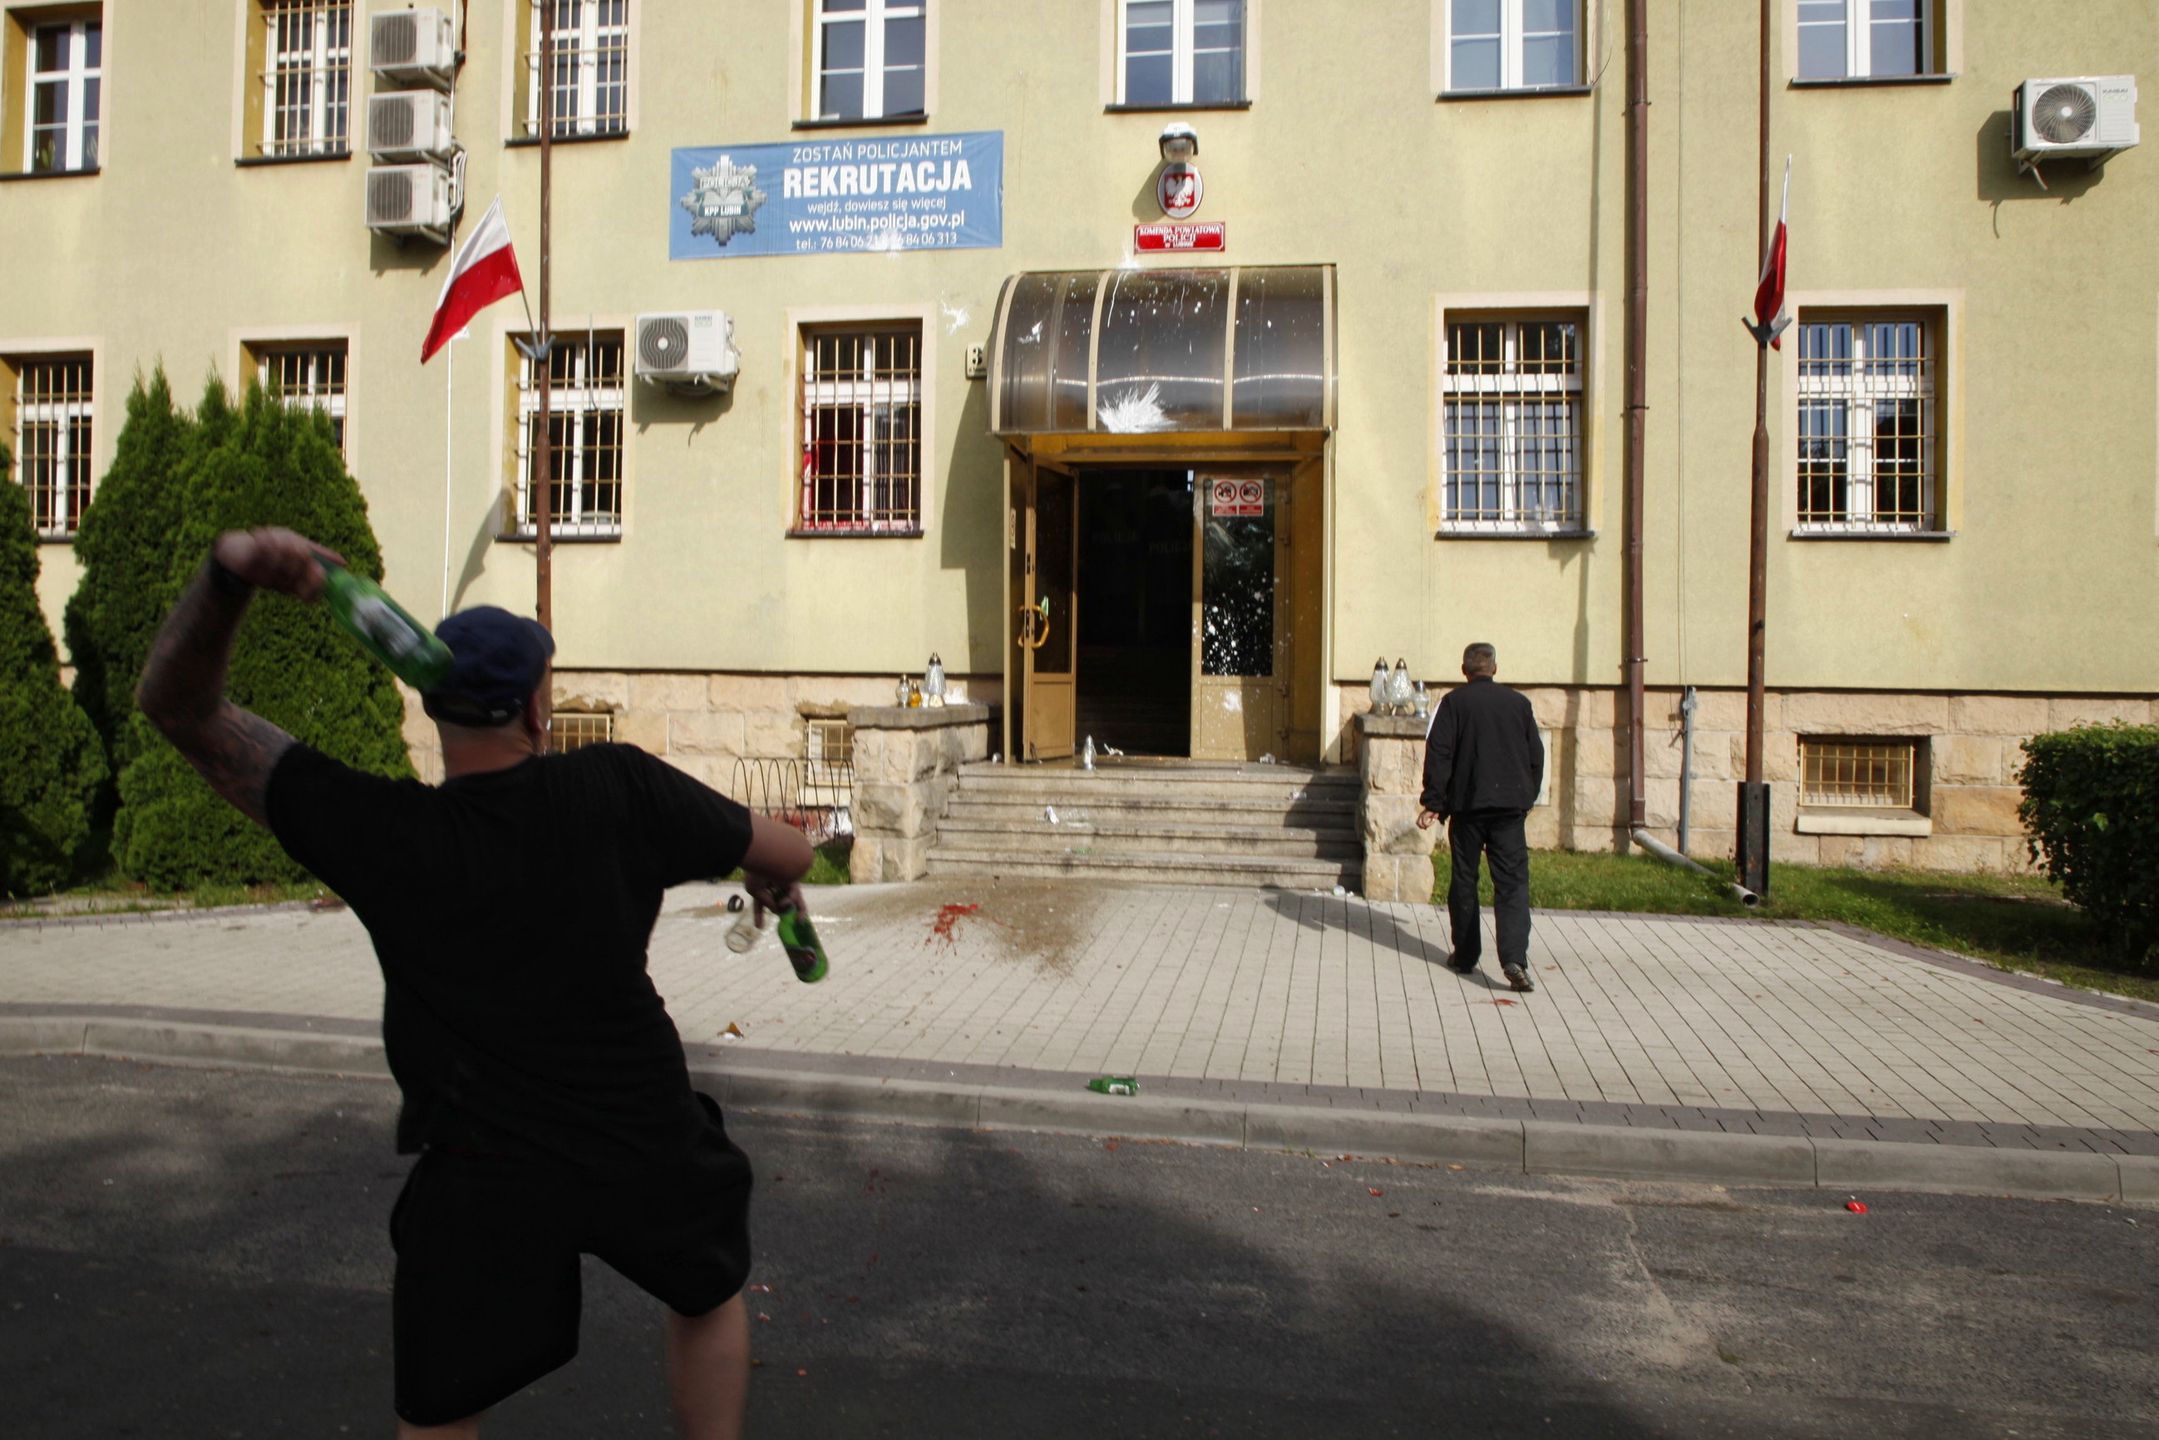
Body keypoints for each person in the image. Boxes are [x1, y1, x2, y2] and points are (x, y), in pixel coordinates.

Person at [136, 527, 814, 1439]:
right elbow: (789, 850)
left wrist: (229, 578)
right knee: (707, 1290)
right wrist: (764, 869)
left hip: (480, 1163)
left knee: (443, 1398)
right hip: (640, 1133)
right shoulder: (613, 785)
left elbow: (180, 709)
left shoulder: (381, 832)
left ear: (433, 710)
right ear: (539, 710)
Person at [1415, 642, 1543, 993]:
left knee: (1465, 879)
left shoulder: (1454, 704)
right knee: (1513, 884)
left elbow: (1439, 755)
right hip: (1508, 811)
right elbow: (1535, 756)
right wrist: (1526, 798)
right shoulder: (1519, 704)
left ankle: (1466, 954)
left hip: (1468, 809)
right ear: (1495, 668)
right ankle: (1514, 958)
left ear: (1464, 670)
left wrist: (1434, 803)